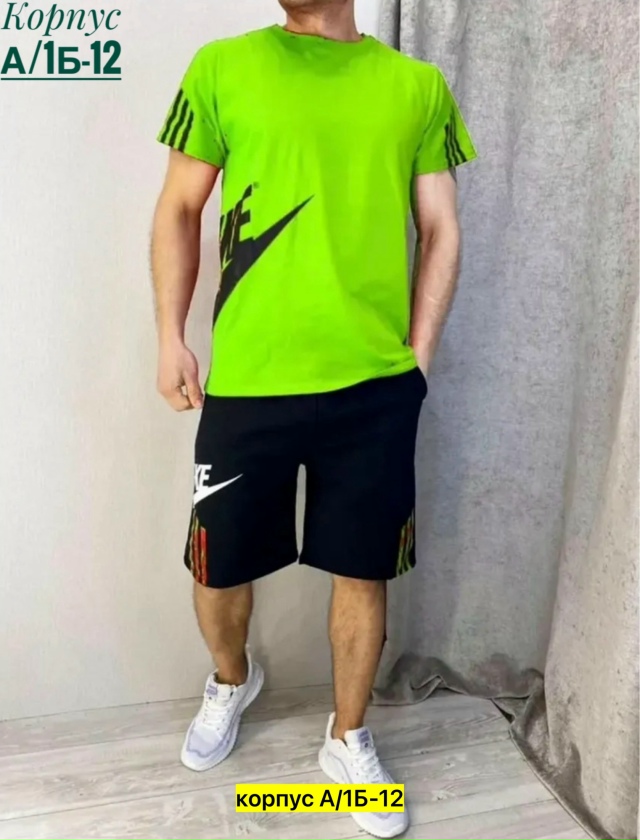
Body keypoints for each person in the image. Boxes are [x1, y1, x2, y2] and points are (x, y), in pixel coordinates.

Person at [151, 0, 476, 836]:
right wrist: (169, 337)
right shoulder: (222, 67)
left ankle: (347, 738)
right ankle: (232, 680)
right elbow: (179, 207)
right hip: (248, 381)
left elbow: (440, 228)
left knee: (362, 570)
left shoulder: (416, 86)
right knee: (218, 566)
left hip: (371, 388)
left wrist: (418, 357)